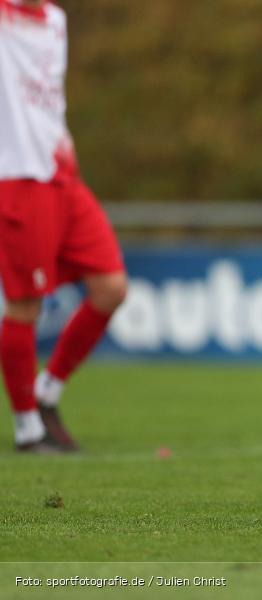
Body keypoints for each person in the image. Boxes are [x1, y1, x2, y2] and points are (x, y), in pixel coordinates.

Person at [0, 0, 128, 453]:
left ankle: (46, 392)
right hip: (19, 178)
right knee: (24, 306)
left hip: (63, 177)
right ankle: (27, 430)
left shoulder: (56, 19)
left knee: (111, 287)